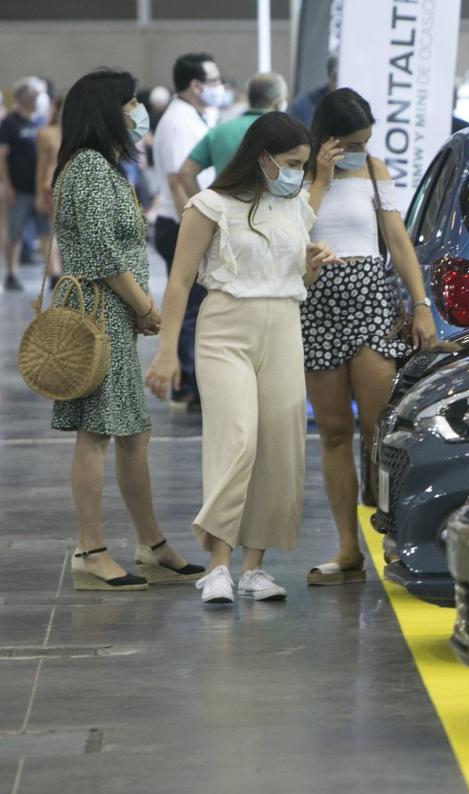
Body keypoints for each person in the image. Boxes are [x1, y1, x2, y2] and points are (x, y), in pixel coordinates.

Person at [145, 112, 340, 606]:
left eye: (304, 164)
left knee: (280, 446)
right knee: (238, 441)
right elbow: (180, 282)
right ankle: (216, 567)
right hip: (224, 329)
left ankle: (254, 568)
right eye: (293, 163)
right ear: (263, 157)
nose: (299, 172)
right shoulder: (208, 206)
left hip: (284, 326)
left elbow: (298, 277)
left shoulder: (295, 205)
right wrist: (167, 351)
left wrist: (311, 267)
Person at [52, 68, 204, 591]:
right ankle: (90, 549)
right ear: (107, 111)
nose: (138, 110)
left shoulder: (101, 166)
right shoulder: (91, 168)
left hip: (113, 317)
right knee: (95, 434)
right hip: (101, 316)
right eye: (130, 102)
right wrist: (145, 307)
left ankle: (152, 543)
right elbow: (102, 252)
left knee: (133, 434)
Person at [302, 89, 439, 584]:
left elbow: (398, 241)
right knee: (334, 432)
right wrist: (318, 175)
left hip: (369, 302)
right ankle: (346, 548)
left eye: (366, 140)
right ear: (328, 139)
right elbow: (294, 229)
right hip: (314, 306)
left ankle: (396, 537)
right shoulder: (296, 172)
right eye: (353, 142)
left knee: (378, 432)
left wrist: (421, 305)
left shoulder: (376, 170)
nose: (362, 148)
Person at [152, 52, 225, 409]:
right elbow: (178, 178)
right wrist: (199, 225)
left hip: (188, 220)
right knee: (191, 306)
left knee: (196, 303)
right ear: (195, 85)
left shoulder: (195, 115)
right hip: (181, 221)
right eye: (213, 81)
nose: (219, 87)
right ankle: (187, 381)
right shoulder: (179, 122)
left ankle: (191, 378)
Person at [178, 72, 287, 197]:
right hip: (273, 212)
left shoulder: (219, 131)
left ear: (249, 98)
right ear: (279, 102)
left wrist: (203, 208)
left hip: (225, 213)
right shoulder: (286, 133)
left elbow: (186, 172)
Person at [0, 77, 49, 292]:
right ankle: (11, 273)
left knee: (45, 232)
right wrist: (7, 185)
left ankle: (52, 275)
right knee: (15, 232)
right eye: (34, 96)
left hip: (39, 188)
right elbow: (1, 157)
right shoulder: (9, 123)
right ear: (24, 98)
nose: (37, 100)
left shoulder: (39, 121)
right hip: (18, 189)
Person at [34, 93, 63, 286]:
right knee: (50, 230)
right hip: (51, 186)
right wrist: (38, 193)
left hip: (60, 185)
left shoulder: (73, 133)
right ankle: (54, 271)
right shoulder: (46, 133)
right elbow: (41, 165)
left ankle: (57, 270)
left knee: (57, 231)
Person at [289, 55, 337, 127]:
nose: (341, 83)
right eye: (336, 78)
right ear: (329, 76)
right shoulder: (302, 106)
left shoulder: (358, 105)